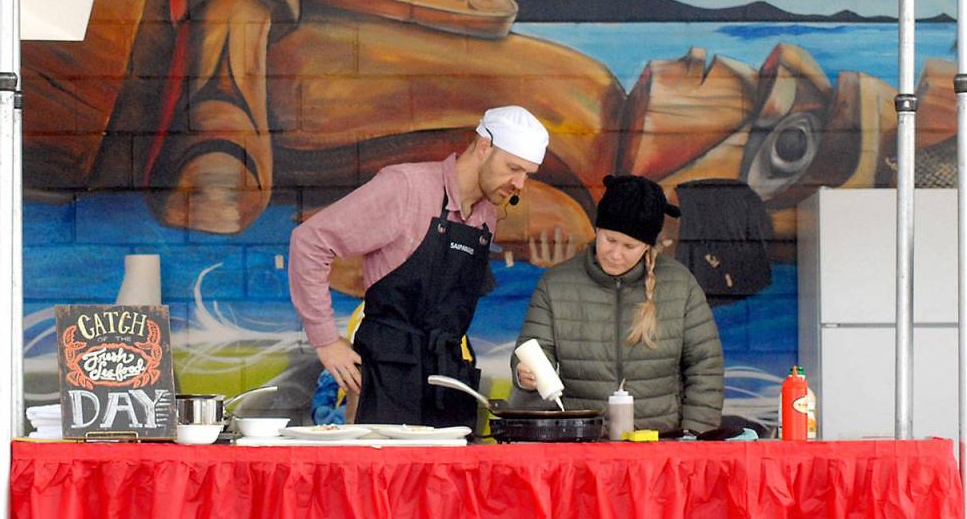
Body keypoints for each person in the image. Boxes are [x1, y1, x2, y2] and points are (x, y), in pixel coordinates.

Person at [289, 105, 549, 429]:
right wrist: (325, 340)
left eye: (527, 174)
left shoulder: (487, 214)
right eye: (514, 168)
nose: (520, 184)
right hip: (389, 376)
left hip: (451, 379)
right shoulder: (405, 187)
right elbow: (310, 242)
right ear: (484, 146)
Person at [511, 174, 724, 433]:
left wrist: (693, 439)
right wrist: (526, 374)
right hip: (582, 444)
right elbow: (533, 349)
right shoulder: (555, 284)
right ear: (597, 230)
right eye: (609, 240)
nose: (615, 253)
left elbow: (705, 368)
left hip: (661, 446)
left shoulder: (680, 285)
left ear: (647, 246)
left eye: (629, 245)